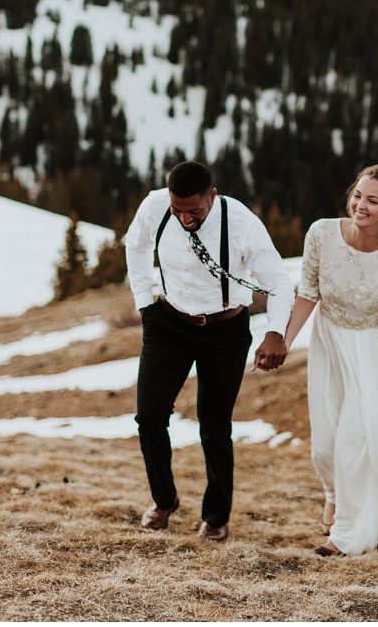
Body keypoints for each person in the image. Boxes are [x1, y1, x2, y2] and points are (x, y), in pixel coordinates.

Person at [124, 160, 294, 542]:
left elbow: (280, 284)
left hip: (225, 330)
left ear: (212, 197)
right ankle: (163, 501)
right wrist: (143, 304)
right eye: (177, 210)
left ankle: (216, 518)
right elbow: (134, 245)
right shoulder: (154, 206)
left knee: (214, 427)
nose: (185, 218)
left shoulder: (243, 224)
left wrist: (274, 334)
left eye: (194, 211)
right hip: (167, 324)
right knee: (149, 416)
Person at [279, 163, 378, 556]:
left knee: (354, 444)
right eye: (357, 195)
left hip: (368, 353)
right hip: (327, 344)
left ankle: (344, 534)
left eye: (372, 200)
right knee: (323, 447)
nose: (360, 205)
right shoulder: (321, 233)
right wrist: (284, 341)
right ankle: (333, 494)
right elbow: (307, 292)